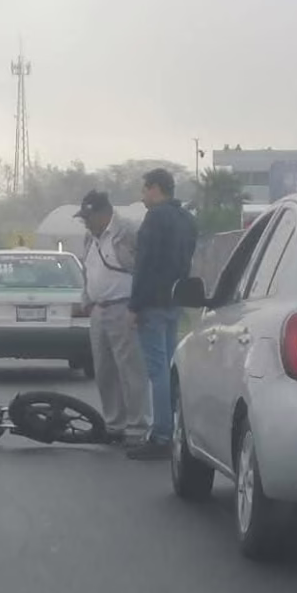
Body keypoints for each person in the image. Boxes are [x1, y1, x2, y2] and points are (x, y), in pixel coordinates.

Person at [127, 168, 197, 460]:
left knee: (156, 371)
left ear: (156, 189)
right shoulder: (187, 220)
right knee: (169, 369)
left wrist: (134, 305)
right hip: (174, 300)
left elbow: (143, 264)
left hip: (152, 302)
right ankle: (174, 430)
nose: (142, 196)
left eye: (144, 190)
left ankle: (161, 435)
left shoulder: (155, 218)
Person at [74, 190, 150, 446]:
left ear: (104, 214)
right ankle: (114, 423)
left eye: (89, 216)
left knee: (130, 369)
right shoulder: (90, 238)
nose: (86, 222)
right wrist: (87, 301)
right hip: (99, 309)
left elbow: (144, 268)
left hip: (124, 307)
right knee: (104, 370)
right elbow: (88, 270)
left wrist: (139, 306)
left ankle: (137, 425)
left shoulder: (127, 232)